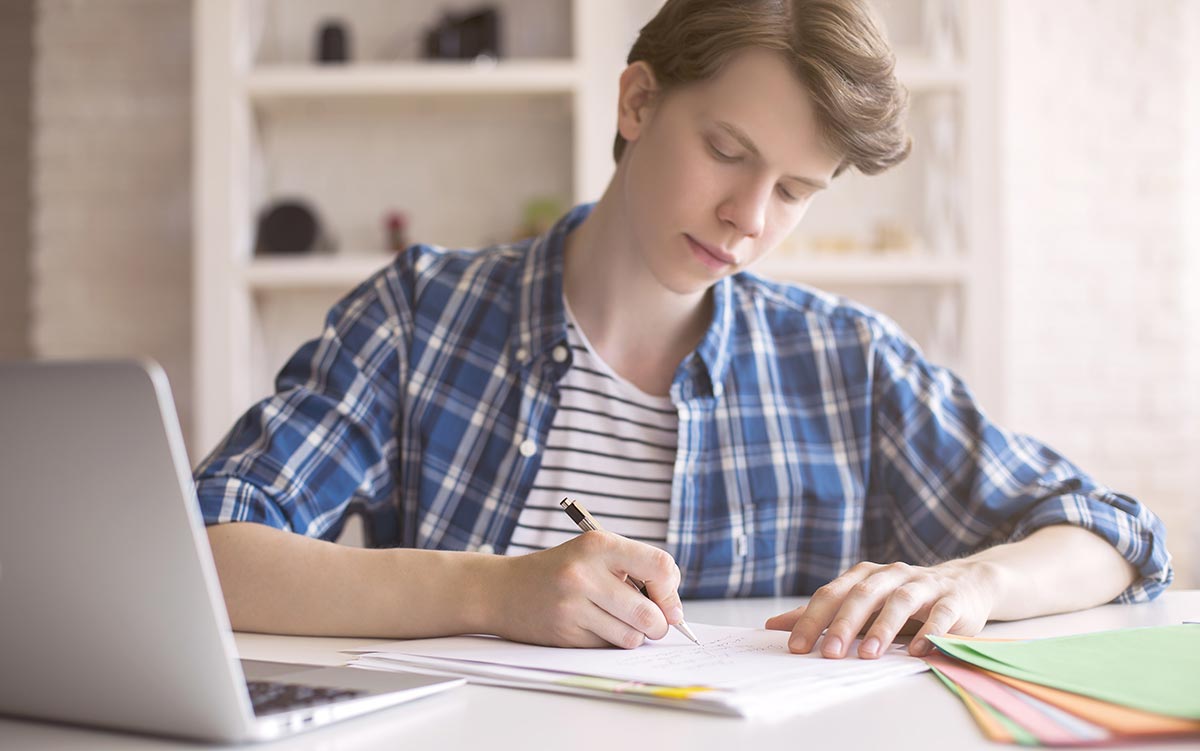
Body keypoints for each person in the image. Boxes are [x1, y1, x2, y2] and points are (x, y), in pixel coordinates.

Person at [195, 0, 1172, 660]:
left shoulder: (844, 364)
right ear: (637, 101)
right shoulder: (422, 318)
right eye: (727, 151)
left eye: (794, 190)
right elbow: (208, 547)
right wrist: (492, 592)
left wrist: (974, 583)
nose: (750, 216)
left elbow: (1113, 534)